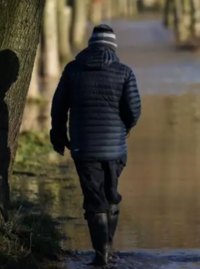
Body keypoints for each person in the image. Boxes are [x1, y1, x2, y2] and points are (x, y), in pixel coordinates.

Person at [49, 24, 141, 266]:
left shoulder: (72, 70)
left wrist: (58, 136)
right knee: (111, 195)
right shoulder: (124, 72)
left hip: (83, 147)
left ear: (89, 45)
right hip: (115, 148)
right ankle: (108, 250)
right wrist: (125, 128)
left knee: (94, 199)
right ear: (112, 47)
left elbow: (58, 107)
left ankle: (101, 255)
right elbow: (134, 110)